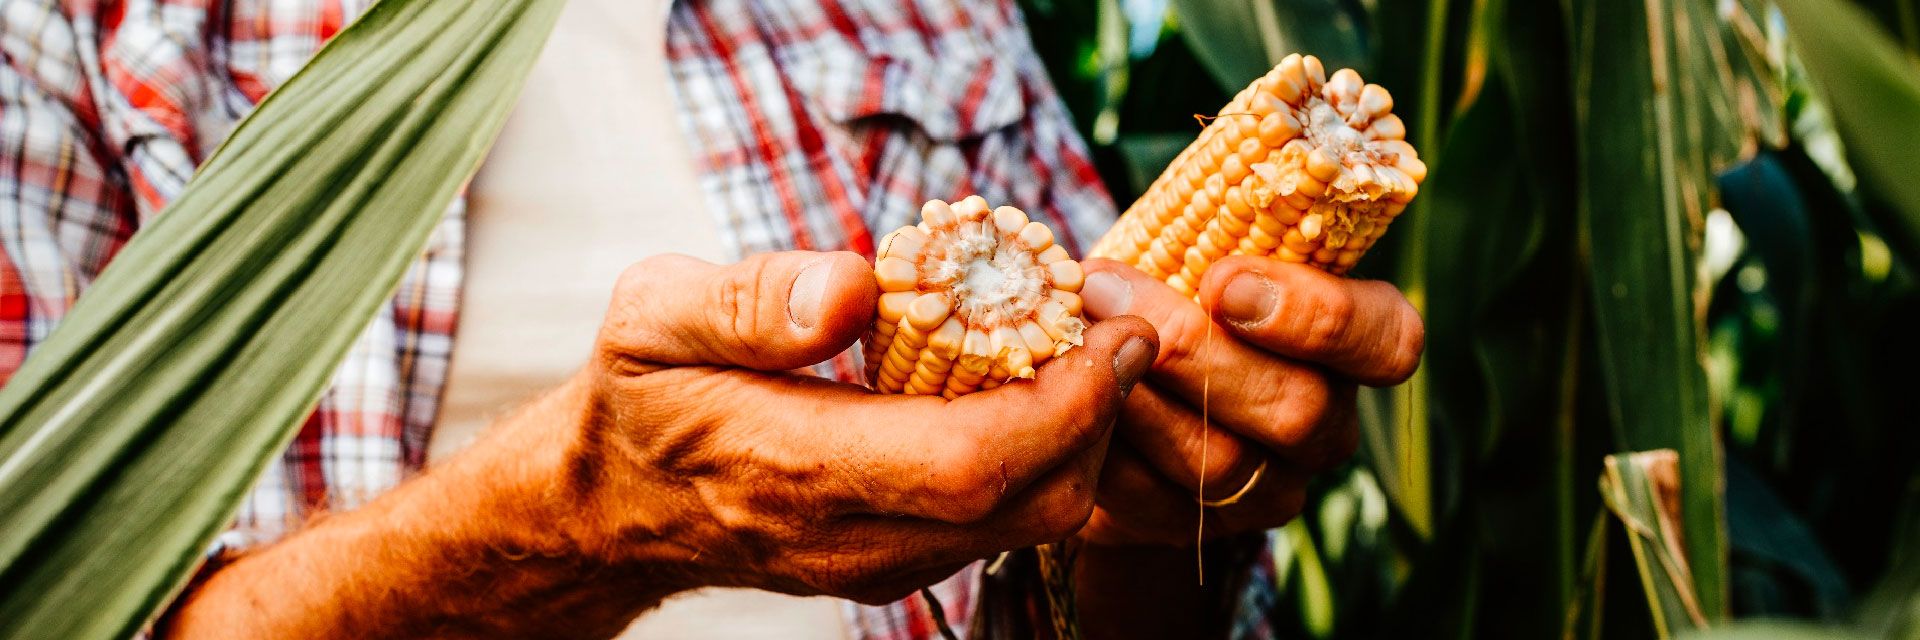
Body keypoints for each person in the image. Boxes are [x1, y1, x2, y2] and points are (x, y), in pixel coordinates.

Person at [0, 0, 1423, 637]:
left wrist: (1156, 510)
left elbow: (1108, 604)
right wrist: (588, 523)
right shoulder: (85, 32)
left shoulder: (928, 13)